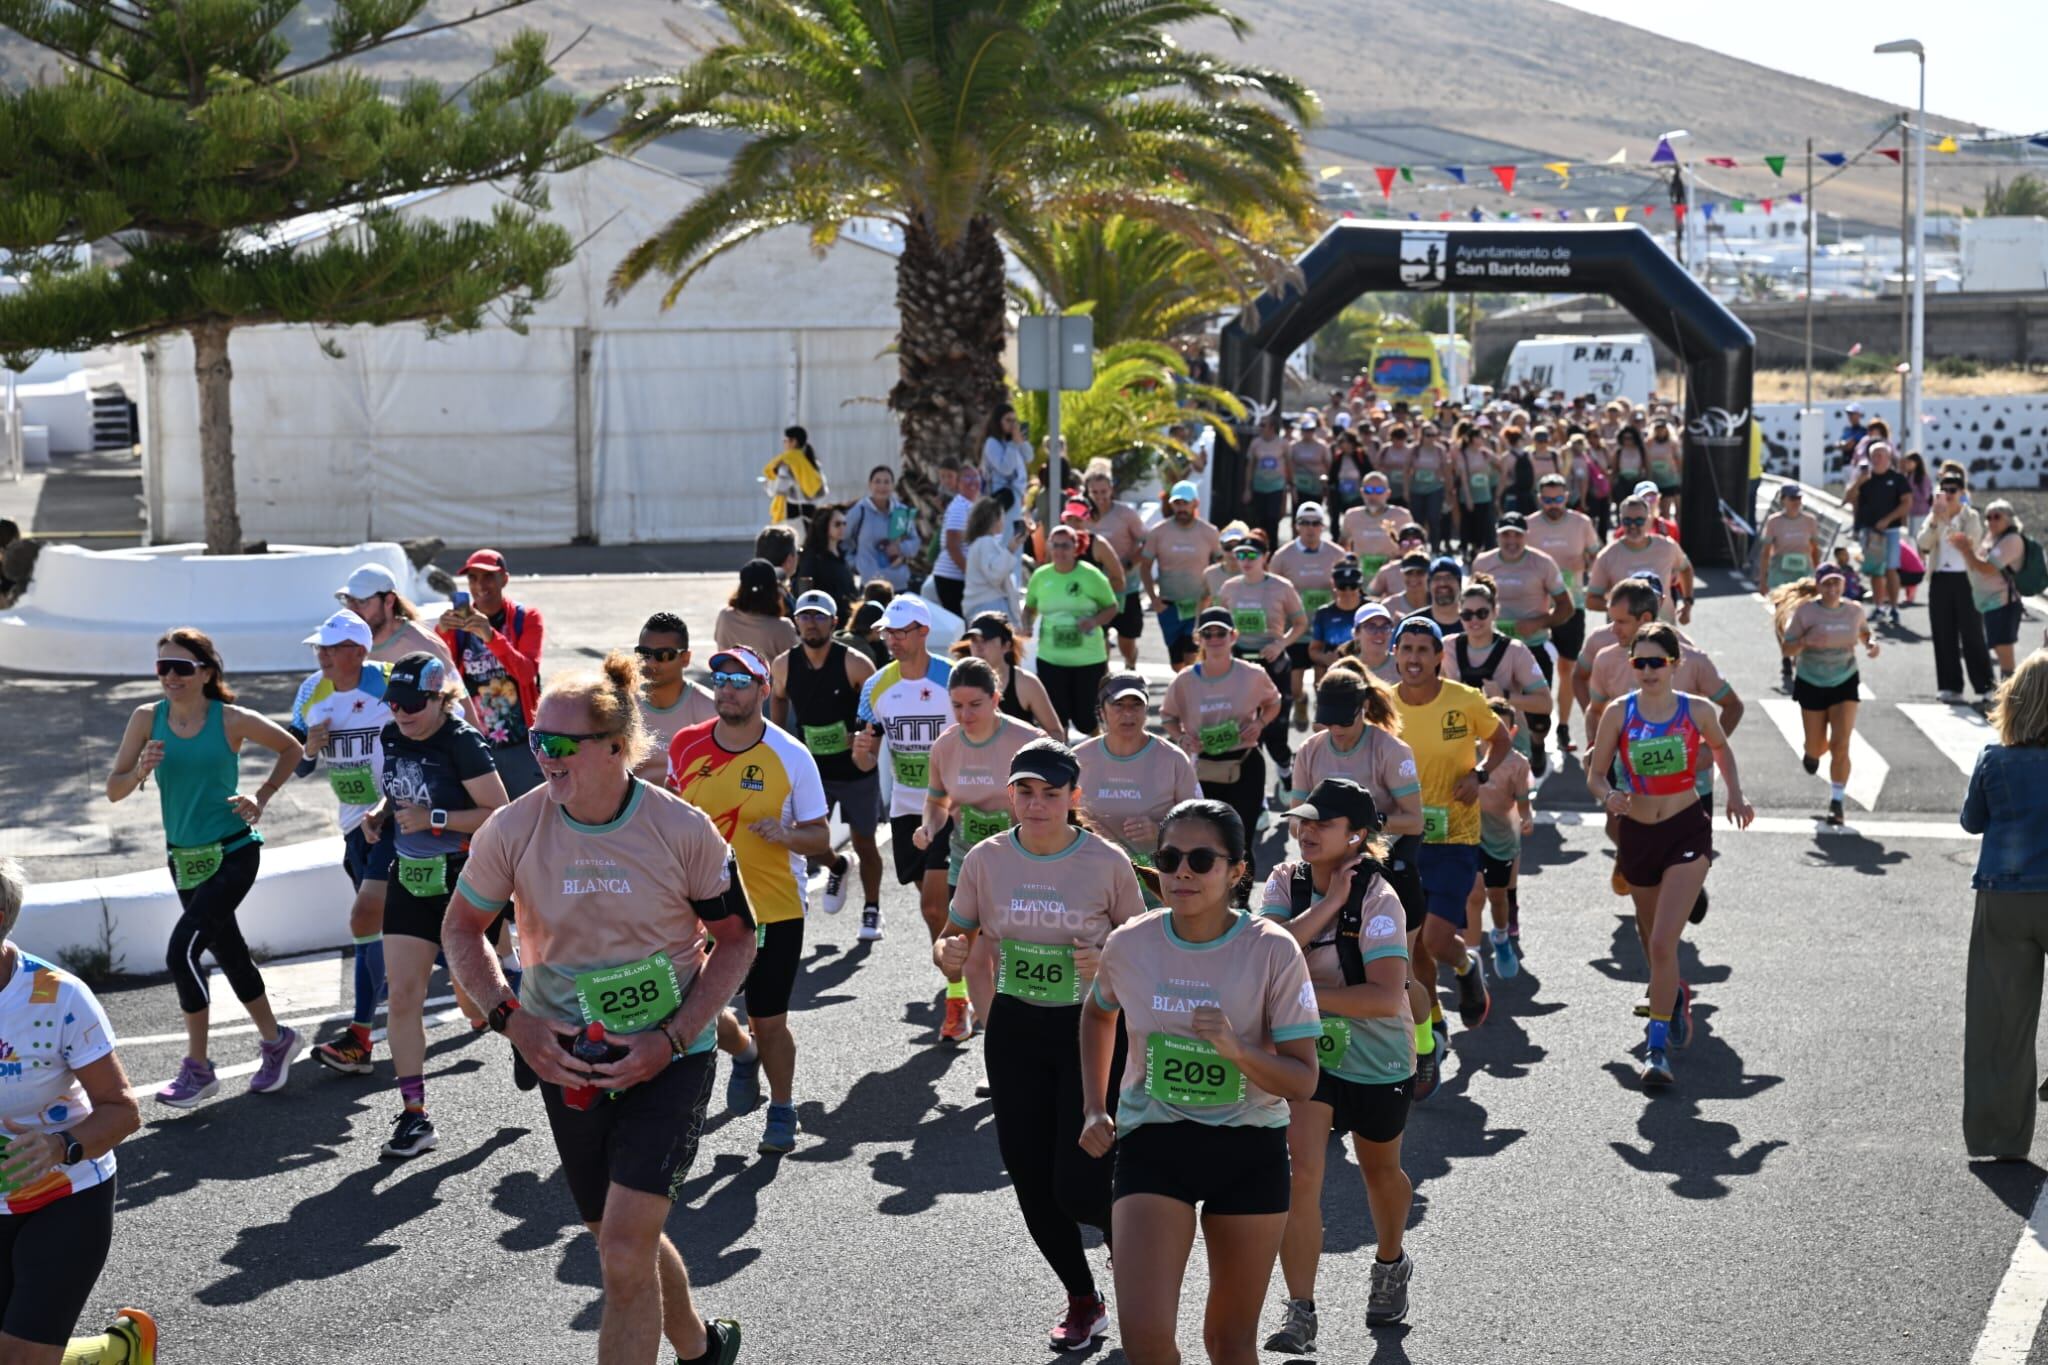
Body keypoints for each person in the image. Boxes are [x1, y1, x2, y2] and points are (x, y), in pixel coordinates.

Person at [444, 654, 751, 1365]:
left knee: (619, 1247)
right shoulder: (513, 829)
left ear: (616, 746)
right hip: (566, 1053)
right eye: (534, 740)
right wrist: (510, 1016)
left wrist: (673, 1038)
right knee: (615, 1237)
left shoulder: (682, 829)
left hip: (669, 1052)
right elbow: (461, 929)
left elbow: (739, 940)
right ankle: (703, 1347)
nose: (543, 757)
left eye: (559, 744)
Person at [1079, 800, 1322, 1365]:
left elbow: (1303, 1080)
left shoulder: (1272, 949)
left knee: (1229, 1345)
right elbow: (1097, 1013)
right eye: (1168, 858)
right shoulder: (1131, 942)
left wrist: (1235, 1049)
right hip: (1154, 1143)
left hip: (1249, 1150)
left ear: (1237, 871)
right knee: (1145, 1340)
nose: (1182, 872)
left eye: (1201, 859)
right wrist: (1095, 1106)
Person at [934, 739, 1146, 1351]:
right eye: (1025, 791)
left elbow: (1139, 947)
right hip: (1016, 1028)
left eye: (1051, 794)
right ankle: (1084, 1298)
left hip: (1092, 1029)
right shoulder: (986, 858)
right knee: (1030, 1176)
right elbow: (956, 935)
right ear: (1010, 794)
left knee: (1079, 1182)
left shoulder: (1106, 862)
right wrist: (945, 952)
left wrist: (1107, 955)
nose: (1036, 804)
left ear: (1074, 799)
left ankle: (1133, 1256)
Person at [105, 628, 307, 1108]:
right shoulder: (145, 719)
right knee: (230, 952)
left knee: (182, 955)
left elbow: (292, 748)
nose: (170, 677)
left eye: (182, 668)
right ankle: (276, 1040)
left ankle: (198, 1068)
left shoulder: (231, 719)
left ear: (207, 673)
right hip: (184, 859)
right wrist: (139, 772)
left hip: (234, 851)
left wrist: (260, 796)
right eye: (162, 668)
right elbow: (114, 789)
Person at [1257, 780, 1417, 1351]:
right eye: (1303, 822)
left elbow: (1381, 996)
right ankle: (1300, 1311)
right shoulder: (1286, 881)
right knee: (1301, 1178)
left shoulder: (1381, 898)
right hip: (1307, 1054)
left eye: (1321, 824)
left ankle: (1391, 1260)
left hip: (1377, 1057)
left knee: (1380, 1174)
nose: (1306, 832)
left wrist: (1302, 993)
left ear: (1355, 836)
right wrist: (1326, 905)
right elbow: (1267, 952)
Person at [668, 644, 830, 1156]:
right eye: (721, 681)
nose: (728, 690)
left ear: (764, 690)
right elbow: (670, 819)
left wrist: (784, 834)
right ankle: (742, 1054)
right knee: (688, 1010)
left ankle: (782, 1107)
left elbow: (820, 837)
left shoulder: (791, 755)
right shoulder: (686, 745)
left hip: (773, 907)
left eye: (741, 682)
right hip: (697, 907)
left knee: (771, 1018)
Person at [1584, 623, 1754, 1086]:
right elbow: (1596, 774)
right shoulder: (1618, 713)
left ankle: (1655, 1048)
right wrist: (1608, 795)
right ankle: (1672, 995)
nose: (1648, 670)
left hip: (1685, 829)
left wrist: (1736, 795)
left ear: (1675, 664)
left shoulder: (1696, 709)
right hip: (1637, 833)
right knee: (1649, 936)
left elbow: (1721, 748)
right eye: (1639, 663)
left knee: (1662, 942)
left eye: (1657, 662)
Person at [0, 857, 155, 1365]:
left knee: (22, 1357)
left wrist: (57, 1145)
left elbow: (122, 1110)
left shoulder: (58, 997)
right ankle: (117, 1353)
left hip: (65, 1194)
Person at [359, 651, 508, 1158]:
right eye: (393, 703)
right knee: (402, 997)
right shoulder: (393, 735)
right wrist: (381, 815)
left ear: (439, 698)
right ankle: (415, 1116)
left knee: (474, 997)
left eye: (411, 704)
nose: (400, 713)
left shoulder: (462, 742)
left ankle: (528, 1033)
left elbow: (499, 814)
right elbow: (401, 794)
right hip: (409, 876)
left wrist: (436, 818)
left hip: (461, 880)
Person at [1284, 664, 1430, 1090]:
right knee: (1324, 970)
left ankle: (1423, 1044)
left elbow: (1415, 820)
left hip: (1387, 870)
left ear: (1364, 709)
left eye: (1344, 722)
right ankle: (1327, 1063)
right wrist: (1321, 835)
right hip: (1327, 875)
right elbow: (1295, 818)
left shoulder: (1390, 750)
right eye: (1326, 721)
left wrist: (1362, 826)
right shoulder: (1311, 750)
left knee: (1398, 981)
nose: (1336, 731)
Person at [1388, 616, 1510, 1058]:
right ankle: (1434, 1023)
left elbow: (1501, 741)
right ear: (1395, 654)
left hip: (1455, 835)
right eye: (1407, 649)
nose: (1415, 658)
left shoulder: (1464, 700)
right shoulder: (1382, 705)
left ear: (1440, 656)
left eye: (1424, 650)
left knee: (1437, 940)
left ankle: (1465, 964)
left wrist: (1480, 775)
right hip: (1403, 838)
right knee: (1413, 942)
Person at [289, 611, 397, 1076]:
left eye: (331, 648)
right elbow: (296, 765)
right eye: (319, 648)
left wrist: (392, 805)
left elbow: (435, 736)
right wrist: (309, 748)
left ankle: (359, 1038)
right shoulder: (311, 689)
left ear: (359, 651)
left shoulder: (391, 682)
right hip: (354, 825)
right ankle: (489, 983)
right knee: (387, 927)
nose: (321, 656)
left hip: (399, 818)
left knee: (366, 918)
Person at [916, 657, 1046, 1043]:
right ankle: (1000, 1048)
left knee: (1012, 959)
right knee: (973, 961)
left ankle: (1036, 1042)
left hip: (1021, 864)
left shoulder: (1027, 741)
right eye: (957, 705)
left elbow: (1060, 803)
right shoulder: (945, 745)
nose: (965, 714)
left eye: (975, 704)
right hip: (968, 865)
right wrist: (929, 826)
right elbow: (937, 802)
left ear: (996, 699)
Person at [1961, 654, 2048, 1159]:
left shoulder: (1995, 758)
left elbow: (1973, 821)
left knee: (2001, 1021)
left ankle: (2002, 1136)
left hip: (2007, 893)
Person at [774, 590, 884, 925]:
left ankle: (871, 909)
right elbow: (777, 698)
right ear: (796, 622)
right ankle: (837, 864)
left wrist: (862, 732)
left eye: (819, 617)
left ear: (834, 622)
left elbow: (879, 706)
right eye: (805, 616)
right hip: (813, 771)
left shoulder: (854, 662)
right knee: (804, 839)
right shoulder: (784, 664)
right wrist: (779, 738)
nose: (810, 623)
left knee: (865, 840)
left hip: (855, 771)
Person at [852, 596, 955, 948]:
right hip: (905, 806)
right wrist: (861, 753)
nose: (892, 640)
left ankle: (955, 981)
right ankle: (959, 955)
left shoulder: (953, 678)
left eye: (899, 632)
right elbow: (865, 761)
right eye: (886, 633)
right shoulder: (875, 686)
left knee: (932, 906)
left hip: (950, 807)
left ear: (924, 631)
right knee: (929, 897)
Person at [1161, 609, 1282, 879]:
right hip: (1205, 768)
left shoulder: (1252, 674)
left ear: (1233, 636)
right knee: (1208, 841)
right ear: (1198, 639)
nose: (1215, 638)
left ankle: (1241, 899)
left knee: (1241, 840)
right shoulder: (1185, 680)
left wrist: (1260, 724)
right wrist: (1181, 737)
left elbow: (1274, 701)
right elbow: (1167, 716)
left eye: (1221, 633)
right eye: (1208, 633)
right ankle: (1212, 897)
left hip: (1245, 763)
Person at [1075, 672, 1201, 897]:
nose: (1128, 714)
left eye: (1136, 705)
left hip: (1155, 884)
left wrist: (1159, 831)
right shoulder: (1078, 759)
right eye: (1118, 705)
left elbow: (1199, 825)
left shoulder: (1173, 759)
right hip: (1092, 881)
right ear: (1102, 711)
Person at [437, 548, 545, 798]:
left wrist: (491, 636)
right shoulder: (456, 625)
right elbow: (442, 675)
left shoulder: (525, 618)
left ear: (504, 579)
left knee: (528, 822)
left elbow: (527, 672)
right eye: (473, 578)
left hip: (521, 745)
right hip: (474, 744)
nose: (479, 585)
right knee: (484, 826)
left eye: (488, 577)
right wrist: (442, 632)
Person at [1777, 564, 1879, 826]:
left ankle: (1837, 802)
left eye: (1837, 583)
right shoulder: (1806, 612)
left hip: (1844, 679)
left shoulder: (1854, 610)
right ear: (1819, 586)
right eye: (1827, 584)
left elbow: (1864, 631)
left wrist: (1870, 643)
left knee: (1841, 743)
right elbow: (1787, 649)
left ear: (1843, 585)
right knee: (1817, 745)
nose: (1832, 589)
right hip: (1811, 680)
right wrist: (1805, 642)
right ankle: (1811, 753)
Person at [1471, 512, 1570, 775]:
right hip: (1494, 649)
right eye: (1506, 534)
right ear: (1497, 535)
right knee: (1493, 706)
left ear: (1526, 536)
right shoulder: (1484, 562)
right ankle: (1494, 762)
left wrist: (1539, 622)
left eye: (1517, 534)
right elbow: (1473, 603)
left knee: (1538, 716)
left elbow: (1566, 608)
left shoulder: (1543, 563)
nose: (1511, 540)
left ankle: (1537, 747)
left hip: (1533, 646)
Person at [1216, 529, 1307, 800]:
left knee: (1275, 730)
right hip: (1240, 662)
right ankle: (1250, 789)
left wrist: (1281, 644)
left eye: (1251, 555)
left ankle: (1284, 768)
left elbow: (1301, 623)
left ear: (1265, 557)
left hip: (1273, 663)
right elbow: (1220, 625)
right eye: (1240, 554)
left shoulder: (1281, 586)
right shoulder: (1229, 588)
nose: (1245, 560)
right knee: (1242, 729)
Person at [1521, 474, 1602, 755]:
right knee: (1530, 669)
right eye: (1547, 499)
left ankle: (1563, 725)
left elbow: (1597, 554)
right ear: (1539, 498)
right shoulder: (1529, 525)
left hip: (1572, 604)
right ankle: (1533, 726)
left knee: (1567, 667)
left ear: (1567, 497)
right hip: (1536, 607)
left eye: (1558, 499)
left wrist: (1588, 561)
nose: (1553, 505)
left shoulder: (1581, 524)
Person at [1022, 522, 1121, 737]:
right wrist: (1027, 624)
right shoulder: (1041, 576)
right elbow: (1029, 607)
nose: (1059, 551)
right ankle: (1061, 762)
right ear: (1049, 547)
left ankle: (1098, 753)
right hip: (1051, 658)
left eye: (1065, 546)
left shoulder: (1090, 575)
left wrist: (1094, 621)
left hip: (1087, 659)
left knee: (1085, 719)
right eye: (1055, 545)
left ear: (1076, 548)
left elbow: (1112, 607)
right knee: (1056, 717)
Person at [1448, 578, 1552, 780]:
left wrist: (1504, 696)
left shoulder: (1515, 650)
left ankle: (1536, 749)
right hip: (1462, 743)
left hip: (1508, 746)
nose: (1474, 620)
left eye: (1482, 613)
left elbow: (1545, 704)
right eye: (1467, 615)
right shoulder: (1448, 648)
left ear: (1495, 611)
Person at [1917, 477, 1997, 705]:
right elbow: (1923, 544)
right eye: (1944, 490)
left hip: (1966, 580)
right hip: (1941, 579)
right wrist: (1935, 520)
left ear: (1962, 492)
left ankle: (1985, 686)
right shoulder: (1934, 516)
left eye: (1952, 490)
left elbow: (1967, 542)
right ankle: (1949, 686)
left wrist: (1947, 521)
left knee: (1972, 634)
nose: (1948, 494)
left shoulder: (1969, 516)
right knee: (1943, 633)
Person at [1471, 699, 1534, 975]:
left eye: (1501, 729)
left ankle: (1500, 936)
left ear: (1512, 731)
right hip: (1469, 834)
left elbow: (1522, 803)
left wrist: (1527, 817)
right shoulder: (1464, 754)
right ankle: (1471, 959)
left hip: (1502, 838)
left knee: (1497, 896)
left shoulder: (1518, 764)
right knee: (1473, 894)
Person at [1270, 502, 1341, 730]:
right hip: (1296, 631)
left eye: (1315, 523)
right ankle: (1301, 701)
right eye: (1305, 523)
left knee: (1325, 685)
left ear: (1323, 526)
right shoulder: (1282, 557)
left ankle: (1323, 725)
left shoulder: (1337, 554)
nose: (1310, 528)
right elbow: (1272, 593)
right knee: (1294, 687)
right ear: (1296, 526)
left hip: (1326, 631)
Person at [1139, 480, 1223, 669]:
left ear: (1195, 503)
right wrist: (1153, 598)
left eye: (1185, 503)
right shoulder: (1158, 532)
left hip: (1197, 604)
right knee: (1177, 663)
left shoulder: (1209, 532)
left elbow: (1221, 566)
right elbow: (1145, 566)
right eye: (1177, 503)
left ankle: (1192, 694)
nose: (1181, 508)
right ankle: (1186, 689)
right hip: (1169, 605)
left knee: (1192, 654)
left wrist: (1215, 598)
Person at [632, 612, 720, 783]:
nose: (651, 663)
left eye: (664, 655)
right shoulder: (622, 706)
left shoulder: (711, 711)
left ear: (685, 659)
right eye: (644, 653)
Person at [955, 611, 1066, 737]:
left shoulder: (1026, 683)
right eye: (974, 640)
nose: (979, 647)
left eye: (986, 640)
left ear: (1006, 646)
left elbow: (1056, 734)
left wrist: (1028, 753)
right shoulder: (958, 681)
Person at [336, 562, 458, 674]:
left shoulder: (424, 647)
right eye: (349, 600)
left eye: (361, 601)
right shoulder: (342, 643)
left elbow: (456, 695)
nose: (352, 609)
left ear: (389, 601)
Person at [1588, 496, 1693, 625]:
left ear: (1649, 519)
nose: (1633, 526)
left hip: (1662, 632)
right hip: (1623, 637)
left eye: (1639, 521)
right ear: (1620, 520)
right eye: (1627, 521)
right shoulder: (1607, 555)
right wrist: (1622, 608)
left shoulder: (1667, 547)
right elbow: (1591, 600)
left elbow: (1686, 568)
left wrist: (1687, 603)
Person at [1960, 500, 2029, 685]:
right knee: (2000, 652)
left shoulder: (2012, 540)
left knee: (2005, 656)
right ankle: (2008, 700)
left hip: (2004, 603)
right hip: (1992, 603)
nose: (1991, 521)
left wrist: (1966, 550)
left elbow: (1986, 568)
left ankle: (2012, 701)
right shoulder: (1993, 538)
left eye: (1997, 516)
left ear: (2009, 519)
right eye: (1988, 517)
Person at [1844, 443, 1911, 627]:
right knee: (1875, 571)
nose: (1878, 459)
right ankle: (1879, 606)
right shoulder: (1865, 478)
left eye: (1882, 455)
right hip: (1870, 530)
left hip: (1890, 530)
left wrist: (1889, 519)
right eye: (1875, 455)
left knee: (1891, 568)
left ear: (1888, 458)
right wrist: (1859, 481)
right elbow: (1847, 499)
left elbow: (1906, 503)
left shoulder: (1897, 479)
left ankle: (1894, 607)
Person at [844, 465, 922, 593]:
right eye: (877, 481)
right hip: (870, 585)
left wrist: (900, 548)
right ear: (870, 485)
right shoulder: (860, 511)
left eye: (887, 482)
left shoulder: (901, 512)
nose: (882, 486)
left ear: (893, 485)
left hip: (899, 584)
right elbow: (843, 540)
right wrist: (855, 564)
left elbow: (914, 541)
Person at [713, 558, 799, 663]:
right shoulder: (783, 627)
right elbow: (796, 664)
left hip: (731, 678)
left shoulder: (725, 617)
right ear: (774, 591)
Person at [961, 496, 1025, 622]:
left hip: (980, 607)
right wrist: (1011, 549)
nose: (1004, 520)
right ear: (994, 519)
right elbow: (995, 574)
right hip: (990, 607)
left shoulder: (978, 544)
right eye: (1002, 515)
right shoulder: (986, 542)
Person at [1339, 473, 1415, 579]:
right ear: (1362, 493)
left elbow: (1414, 548)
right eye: (1368, 490)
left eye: (1379, 490)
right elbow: (1343, 547)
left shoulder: (1402, 516)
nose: (1373, 495)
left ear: (1388, 493)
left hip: (1393, 577)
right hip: (1362, 578)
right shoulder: (1351, 516)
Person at [930, 462, 982, 615]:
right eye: (967, 478)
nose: (972, 481)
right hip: (951, 578)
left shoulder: (971, 505)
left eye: (976, 477)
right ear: (958, 484)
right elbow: (952, 545)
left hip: (958, 577)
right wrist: (970, 573)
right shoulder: (961, 506)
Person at [1306, 557, 1366, 678]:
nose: (1348, 591)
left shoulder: (1371, 609)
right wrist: (1325, 658)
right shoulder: (1324, 613)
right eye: (1342, 586)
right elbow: (1314, 650)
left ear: (1360, 585)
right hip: (1334, 668)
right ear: (1334, 585)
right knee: (1319, 670)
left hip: (1366, 665)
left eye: (1353, 586)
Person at [793, 504, 858, 615]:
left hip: (845, 616)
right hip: (822, 617)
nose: (842, 528)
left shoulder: (841, 555)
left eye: (844, 524)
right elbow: (803, 591)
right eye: (837, 524)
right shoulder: (811, 557)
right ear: (824, 525)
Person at [981, 406, 1033, 534]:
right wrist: (1013, 444)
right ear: (998, 422)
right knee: (1006, 536)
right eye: (1008, 420)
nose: (1012, 424)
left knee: (1016, 538)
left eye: (1015, 420)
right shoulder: (992, 443)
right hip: (1003, 495)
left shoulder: (1012, 441)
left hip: (1018, 494)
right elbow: (1006, 469)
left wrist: (1021, 440)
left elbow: (1029, 457)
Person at [1242, 414, 1291, 547]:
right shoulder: (1255, 443)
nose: (1260, 428)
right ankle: (1258, 547)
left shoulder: (1283, 443)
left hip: (1276, 487)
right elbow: (1250, 466)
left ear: (1272, 427)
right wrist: (1247, 489)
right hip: (1259, 487)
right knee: (1259, 520)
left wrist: (1290, 487)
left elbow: (1288, 466)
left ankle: (1273, 549)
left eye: (1263, 425)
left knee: (1273, 519)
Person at [764, 425, 827, 527]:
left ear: (794, 442)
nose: (784, 444)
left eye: (785, 440)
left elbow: (777, 490)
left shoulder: (788, 462)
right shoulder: (813, 461)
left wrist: (768, 483)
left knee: (796, 540)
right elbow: (821, 490)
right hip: (813, 511)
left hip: (793, 512)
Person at [1346, 602, 1402, 686]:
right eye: (1371, 627)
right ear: (1357, 633)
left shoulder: (1402, 666)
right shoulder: (1345, 670)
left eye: (1385, 627)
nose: (1379, 633)